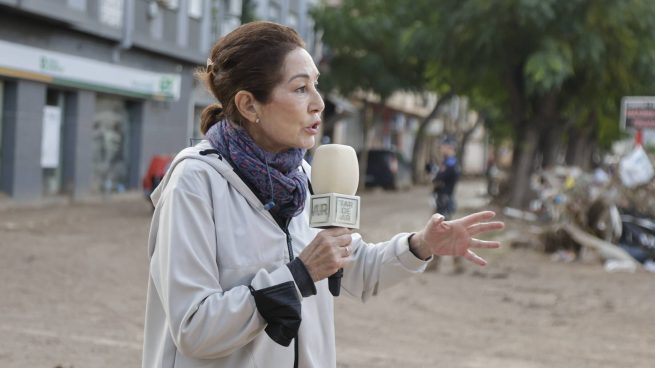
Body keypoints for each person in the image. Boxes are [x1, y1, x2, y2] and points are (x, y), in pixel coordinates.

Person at [142, 21, 504, 368]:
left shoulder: (305, 176)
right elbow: (194, 328)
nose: (319, 103)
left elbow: (356, 268)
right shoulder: (194, 182)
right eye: (300, 88)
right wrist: (298, 274)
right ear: (249, 105)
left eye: (316, 85)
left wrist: (421, 244)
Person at [431, 136, 463, 272]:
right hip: (443, 200)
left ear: (450, 148)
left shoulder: (450, 164)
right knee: (440, 233)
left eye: (443, 146)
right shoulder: (448, 163)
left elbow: (438, 179)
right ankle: (437, 263)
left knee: (445, 233)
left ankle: (457, 262)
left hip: (445, 201)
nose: (441, 149)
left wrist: (436, 180)